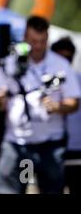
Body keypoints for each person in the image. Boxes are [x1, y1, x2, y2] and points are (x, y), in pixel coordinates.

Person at [0, 16, 81, 194]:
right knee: (7, 191)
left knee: (51, 190)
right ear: (25, 37)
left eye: (42, 41)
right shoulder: (9, 64)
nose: (38, 46)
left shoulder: (60, 64)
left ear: (48, 38)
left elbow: (73, 102)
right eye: (33, 41)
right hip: (16, 142)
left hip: (50, 145)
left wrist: (58, 107)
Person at [51, 36, 81, 194]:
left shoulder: (78, 79)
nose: (64, 62)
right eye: (60, 57)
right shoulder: (43, 81)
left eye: (68, 57)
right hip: (51, 150)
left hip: (76, 152)